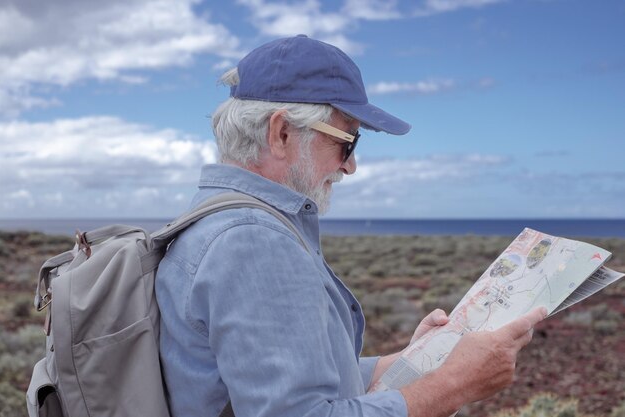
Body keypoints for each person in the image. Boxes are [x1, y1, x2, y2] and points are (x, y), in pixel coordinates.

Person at [155, 34, 547, 417]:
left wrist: (416, 361)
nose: (350, 166)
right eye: (348, 141)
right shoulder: (254, 241)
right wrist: (454, 385)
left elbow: (286, 378)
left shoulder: (217, 220)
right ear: (282, 133)